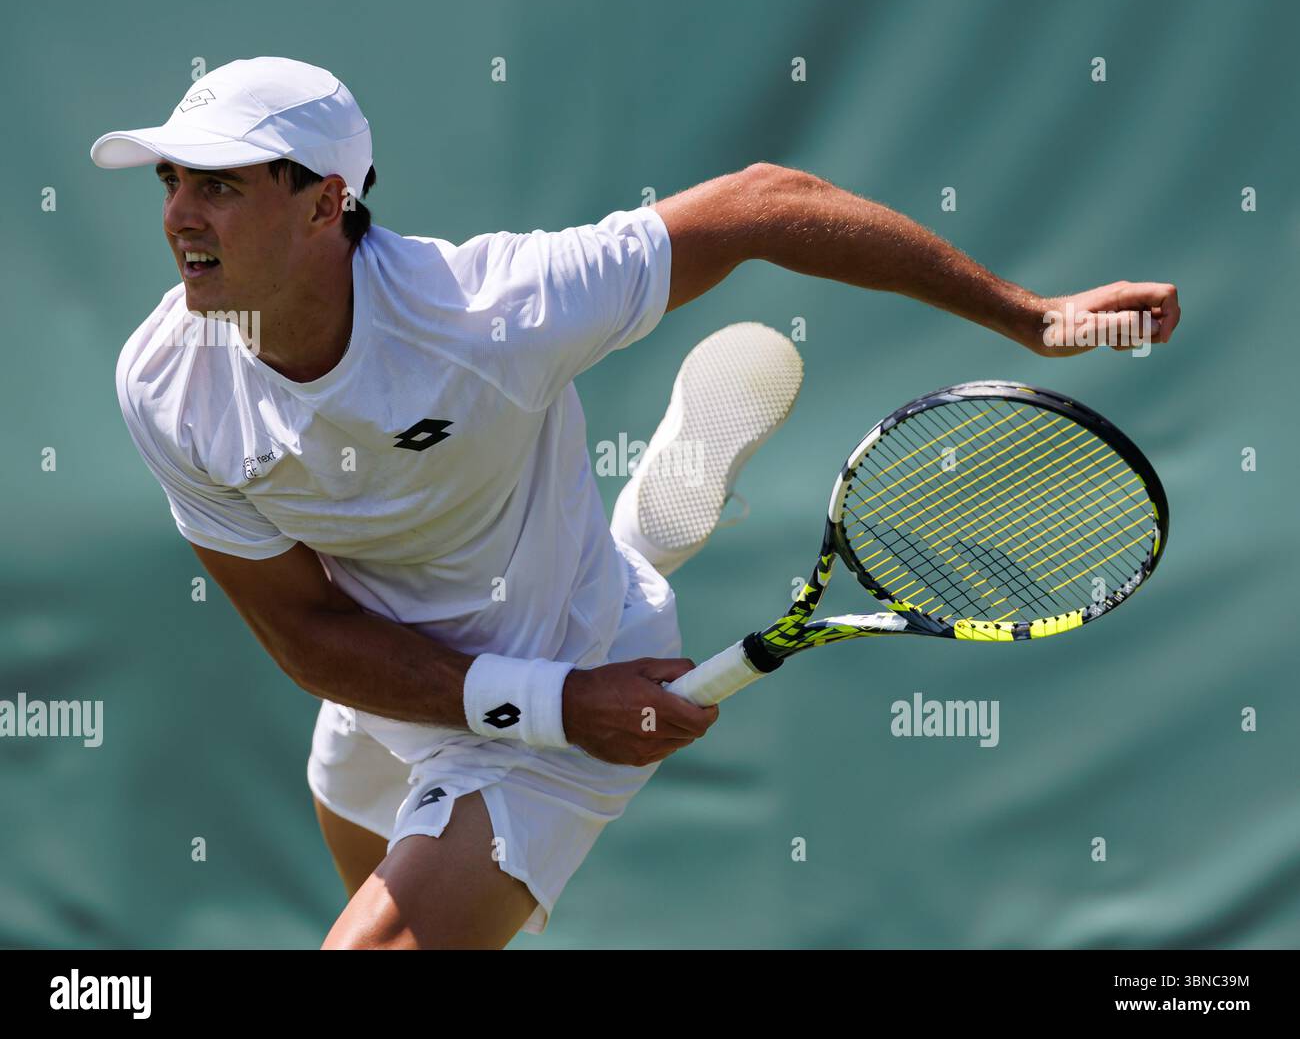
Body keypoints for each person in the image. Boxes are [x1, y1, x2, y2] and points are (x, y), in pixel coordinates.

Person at [94, 56, 1179, 950]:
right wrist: (550, 697)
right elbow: (303, 629)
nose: (181, 213)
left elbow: (767, 203)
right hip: (389, 681)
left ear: (328, 201)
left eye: (222, 184)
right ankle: (643, 532)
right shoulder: (165, 381)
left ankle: (626, 569)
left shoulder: (489, 312)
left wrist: (1033, 317)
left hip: (570, 669)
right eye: (172, 183)